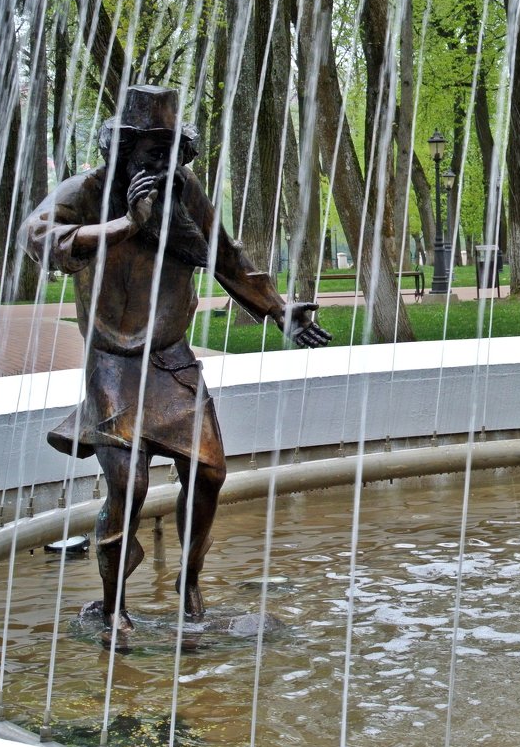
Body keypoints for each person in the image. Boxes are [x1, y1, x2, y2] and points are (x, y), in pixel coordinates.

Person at [21, 86, 332, 635]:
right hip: (114, 364)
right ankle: (113, 605)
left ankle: (189, 583)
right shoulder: (88, 191)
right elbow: (40, 239)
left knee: (210, 473)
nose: (161, 164)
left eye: (170, 153)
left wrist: (280, 312)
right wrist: (127, 225)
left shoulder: (182, 192)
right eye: (150, 152)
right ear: (123, 149)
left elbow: (224, 256)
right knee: (130, 485)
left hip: (171, 360)